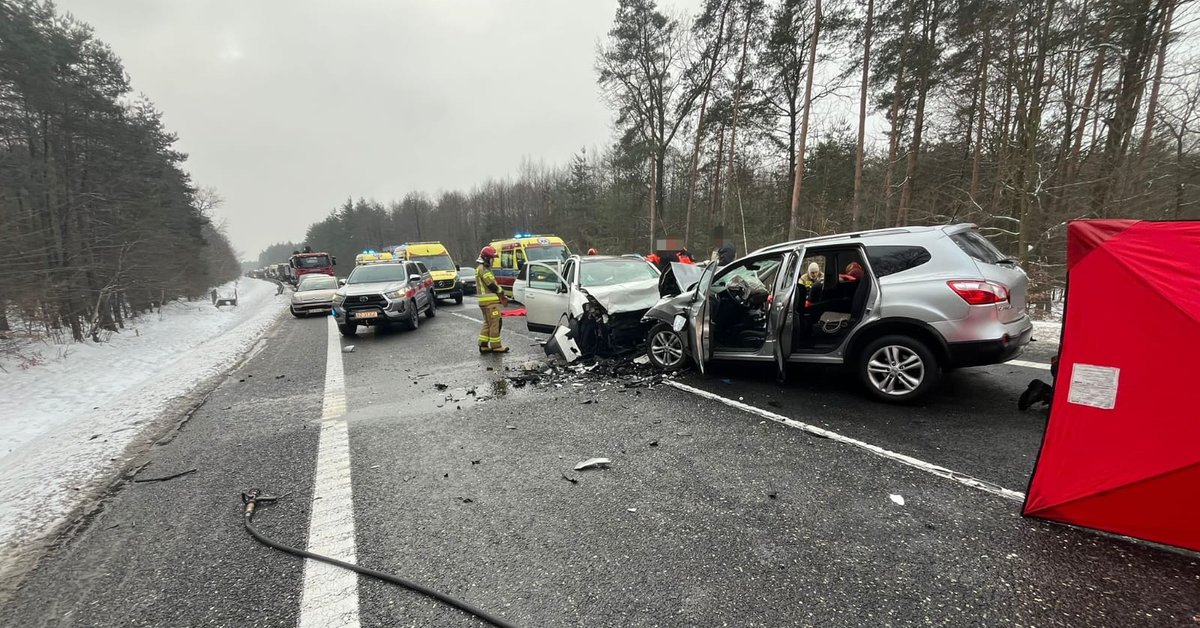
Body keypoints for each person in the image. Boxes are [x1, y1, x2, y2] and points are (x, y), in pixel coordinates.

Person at [475, 246, 510, 353]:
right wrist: (501, 293)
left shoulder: (480, 268)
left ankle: (483, 345)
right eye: (492, 258)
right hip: (490, 302)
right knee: (496, 323)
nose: (493, 261)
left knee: (487, 323)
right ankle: (496, 346)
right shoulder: (484, 270)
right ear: (486, 258)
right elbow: (491, 285)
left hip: (484, 302)